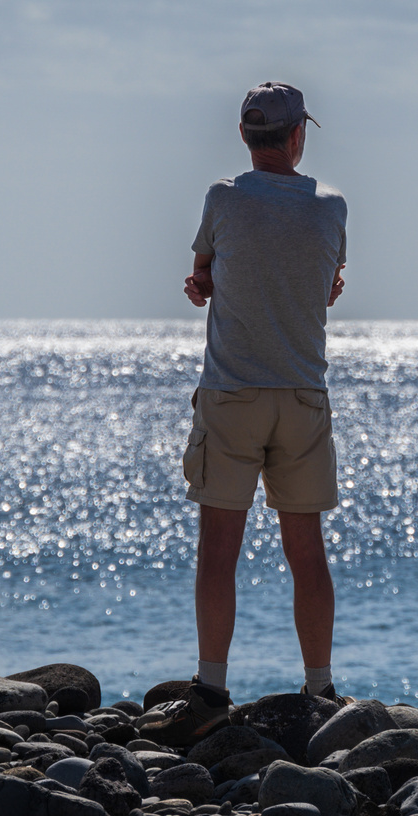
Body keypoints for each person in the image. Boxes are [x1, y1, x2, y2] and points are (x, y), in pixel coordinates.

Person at [164, 81, 350, 744]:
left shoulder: (222, 197)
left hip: (233, 392)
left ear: (246, 137)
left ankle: (211, 688)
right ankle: (321, 689)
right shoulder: (331, 206)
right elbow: (327, 290)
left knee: (219, 551)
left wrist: (207, 284)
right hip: (301, 395)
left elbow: (202, 277)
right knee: (306, 551)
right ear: (297, 134)